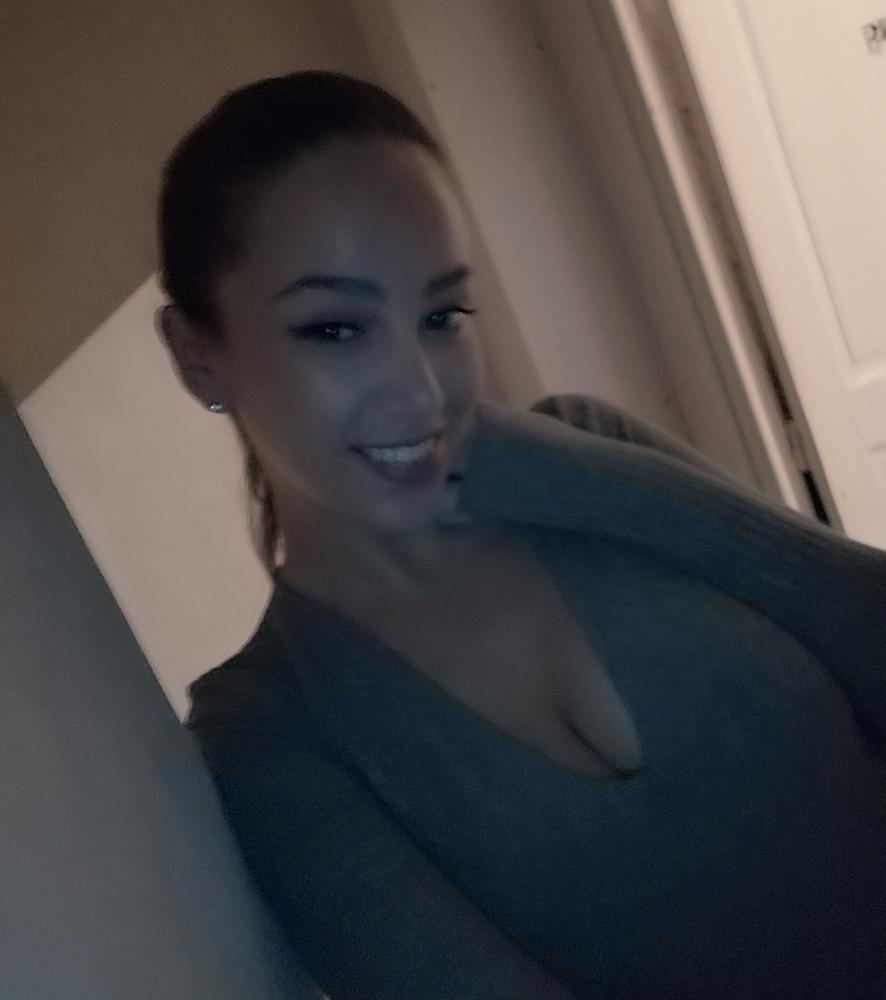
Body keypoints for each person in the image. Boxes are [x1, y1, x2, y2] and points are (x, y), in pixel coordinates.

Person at [156, 71, 886, 1000]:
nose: (422, 390)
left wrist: (576, 472)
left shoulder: (587, 449)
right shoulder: (265, 733)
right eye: (335, 329)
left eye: (443, 316)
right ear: (197, 355)